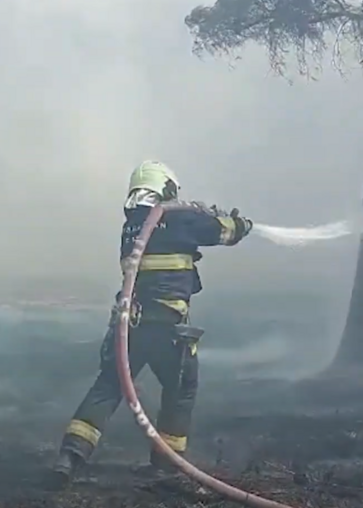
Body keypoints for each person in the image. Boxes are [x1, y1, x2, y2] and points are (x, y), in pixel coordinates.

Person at [50, 160, 253, 484]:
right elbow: (224, 232)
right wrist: (239, 223)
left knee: (109, 385)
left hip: (130, 325)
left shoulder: (132, 224)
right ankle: (166, 465)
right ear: (167, 189)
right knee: (180, 389)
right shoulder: (177, 216)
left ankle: (70, 456)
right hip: (168, 327)